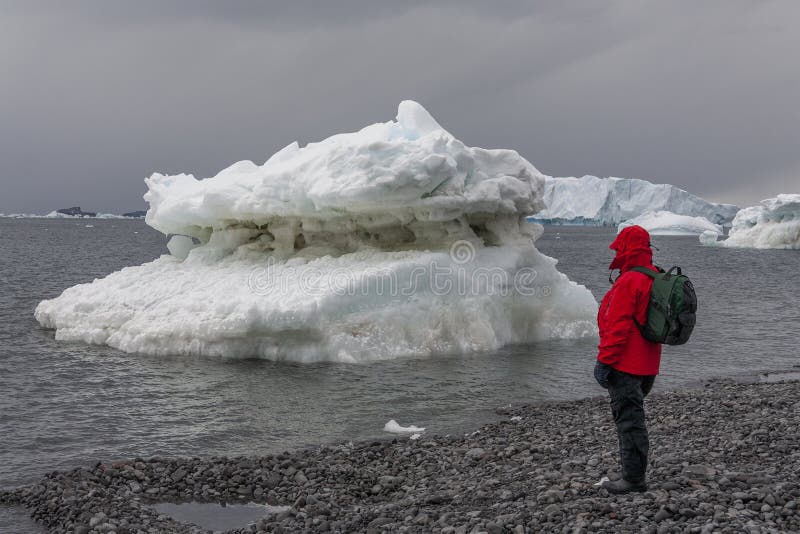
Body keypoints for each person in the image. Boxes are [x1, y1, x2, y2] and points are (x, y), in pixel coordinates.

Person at [594, 225, 662, 494]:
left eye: (619, 246)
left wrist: (604, 362)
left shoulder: (630, 280)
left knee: (629, 421)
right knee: (635, 419)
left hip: (626, 364)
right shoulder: (654, 275)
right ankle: (634, 473)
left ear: (625, 248)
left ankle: (633, 479)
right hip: (648, 365)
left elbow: (618, 327)